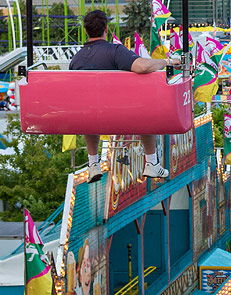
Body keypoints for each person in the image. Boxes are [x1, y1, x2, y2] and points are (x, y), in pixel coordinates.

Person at [70, 10, 177, 182]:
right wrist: (167, 61)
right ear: (106, 29)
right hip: (122, 116)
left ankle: (93, 164)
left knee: (88, 110)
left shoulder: (76, 60)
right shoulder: (115, 51)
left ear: (86, 30)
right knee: (146, 107)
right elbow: (142, 66)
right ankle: (151, 162)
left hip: (91, 119)